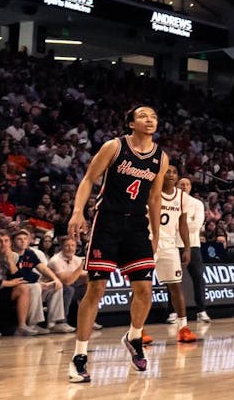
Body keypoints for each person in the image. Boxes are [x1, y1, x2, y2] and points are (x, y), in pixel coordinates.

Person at [66, 105, 169, 383]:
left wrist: (156, 233)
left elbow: (155, 199)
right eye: (144, 116)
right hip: (107, 221)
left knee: (145, 290)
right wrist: (78, 211)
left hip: (137, 225)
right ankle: (80, 355)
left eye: (154, 116)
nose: (150, 120)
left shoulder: (161, 157)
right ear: (131, 123)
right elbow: (88, 179)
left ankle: (134, 336)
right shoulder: (114, 146)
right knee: (96, 287)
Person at [156, 164, 198, 343]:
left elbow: (183, 224)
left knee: (176, 287)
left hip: (169, 244)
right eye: (168, 171)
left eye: (174, 172)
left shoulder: (181, 197)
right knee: (141, 287)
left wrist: (187, 248)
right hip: (149, 242)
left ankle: (183, 328)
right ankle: (137, 331)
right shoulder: (153, 191)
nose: (171, 174)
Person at [177, 176, 210, 323]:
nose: (184, 186)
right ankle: (173, 313)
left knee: (198, 278)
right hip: (173, 245)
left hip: (193, 245)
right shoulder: (169, 202)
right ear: (177, 186)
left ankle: (201, 311)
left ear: (190, 187)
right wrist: (185, 223)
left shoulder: (197, 203)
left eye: (187, 184)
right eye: (181, 184)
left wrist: (178, 225)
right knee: (173, 281)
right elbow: (165, 225)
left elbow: (196, 225)